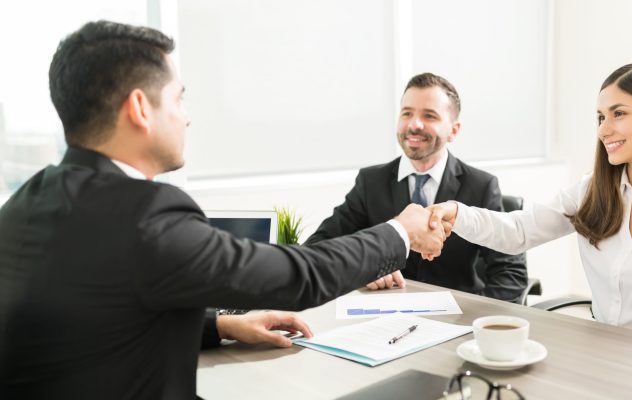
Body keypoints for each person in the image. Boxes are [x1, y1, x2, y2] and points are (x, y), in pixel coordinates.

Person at [0, 20, 444, 399]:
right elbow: (300, 276)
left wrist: (223, 327)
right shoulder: (144, 218)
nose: (187, 117)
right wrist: (400, 232)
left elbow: (97, 320)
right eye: (178, 99)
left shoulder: (29, 200)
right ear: (140, 108)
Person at [429, 62, 632, 349]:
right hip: (606, 358)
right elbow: (518, 231)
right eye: (601, 117)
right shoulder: (593, 192)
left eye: (619, 113)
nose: (603, 130)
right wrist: (455, 213)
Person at [306, 73, 528, 302]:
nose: (414, 124)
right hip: (384, 319)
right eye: (407, 113)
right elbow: (318, 248)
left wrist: (474, 323)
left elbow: (510, 275)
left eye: (429, 116)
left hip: (457, 319)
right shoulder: (371, 182)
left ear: (453, 130)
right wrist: (365, 269)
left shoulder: (481, 186)